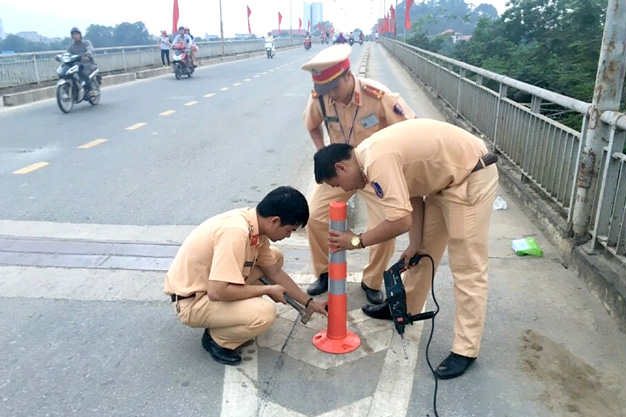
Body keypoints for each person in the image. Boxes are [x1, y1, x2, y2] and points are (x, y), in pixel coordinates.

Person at [313, 118, 499, 380]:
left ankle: (466, 349)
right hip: (440, 185)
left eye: (337, 184)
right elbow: (411, 194)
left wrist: (356, 241)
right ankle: (405, 308)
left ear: (341, 167)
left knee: (468, 268)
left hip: (470, 179)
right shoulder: (369, 156)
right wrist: (413, 243)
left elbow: (400, 220)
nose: (343, 190)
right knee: (422, 253)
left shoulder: (376, 160)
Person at [300, 44, 415, 304]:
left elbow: (410, 129)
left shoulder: (379, 96)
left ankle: (371, 280)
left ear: (348, 76)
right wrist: (325, 154)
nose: (331, 97)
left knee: (387, 223)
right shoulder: (320, 97)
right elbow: (312, 125)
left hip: (375, 171)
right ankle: (325, 272)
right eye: (324, 92)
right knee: (315, 216)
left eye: (334, 89)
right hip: (340, 171)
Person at [165, 186, 328, 365]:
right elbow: (217, 292)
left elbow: (274, 272)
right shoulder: (235, 233)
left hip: (208, 288)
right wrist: (268, 290)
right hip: (192, 302)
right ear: (275, 221)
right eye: (289, 230)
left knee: (276, 257)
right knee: (264, 313)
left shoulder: (256, 226)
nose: (288, 236)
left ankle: (230, 316)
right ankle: (217, 339)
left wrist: (308, 303)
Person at [66, 27, 97, 94]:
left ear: (80, 35)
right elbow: (67, 54)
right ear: (72, 36)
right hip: (77, 65)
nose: (75, 36)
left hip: (88, 64)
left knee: (84, 73)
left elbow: (90, 49)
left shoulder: (86, 43)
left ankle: (90, 89)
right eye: (73, 34)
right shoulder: (71, 47)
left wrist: (87, 55)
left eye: (77, 34)